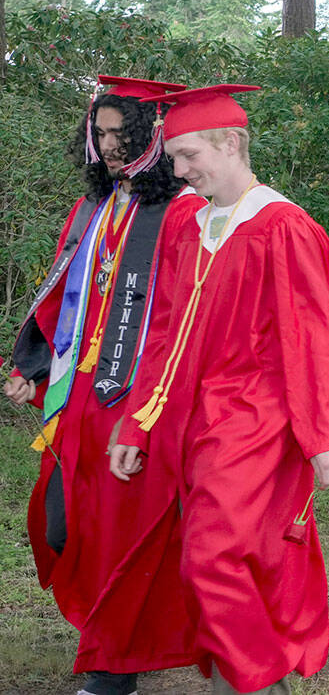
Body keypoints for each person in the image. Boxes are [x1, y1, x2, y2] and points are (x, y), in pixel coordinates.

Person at [109, 84, 329, 695]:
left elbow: (313, 336)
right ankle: (247, 680)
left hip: (259, 415)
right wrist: (138, 422)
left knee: (213, 557)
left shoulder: (280, 225)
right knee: (228, 558)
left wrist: (325, 435)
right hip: (192, 419)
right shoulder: (189, 227)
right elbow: (164, 331)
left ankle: (261, 682)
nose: (180, 170)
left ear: (231, 143)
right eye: (173, 158)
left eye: (189, 154)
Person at [6, 76, 201, 695]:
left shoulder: (183, 212)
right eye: (102, 132)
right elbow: (63, 292)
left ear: (154, 137)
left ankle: (114, 665)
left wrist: (152, 408)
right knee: (67, 526)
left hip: (136, 391)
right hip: (79, 396)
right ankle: (109, 639)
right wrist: (31, 364)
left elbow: (181, 315)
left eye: (124, 133)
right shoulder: (93, 207)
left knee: (121, 526)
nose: (111, 145)